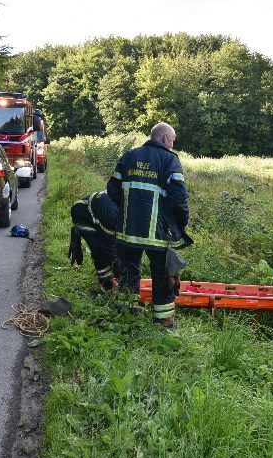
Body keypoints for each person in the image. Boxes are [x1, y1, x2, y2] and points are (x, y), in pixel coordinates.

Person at [107, 122, 191, 328]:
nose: (173, 143)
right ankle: (163, 320)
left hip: (128, 231)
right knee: (162, 275)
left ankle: (127, 315)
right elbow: (179, 197)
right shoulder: (170, 160)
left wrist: (128, 209)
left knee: (129, 273)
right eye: (172, 139)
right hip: (157, 233)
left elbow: (112, 189)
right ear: (164, 138)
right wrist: (181, 222)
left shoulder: (129, 155)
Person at [69, 190, 120, 289]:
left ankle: (113, 280)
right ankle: (106, 285)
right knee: (99, 250)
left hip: (99, 214)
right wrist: (120, 273)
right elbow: (109, 248)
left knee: (113, 251)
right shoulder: (112, 216)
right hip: (82, 214)